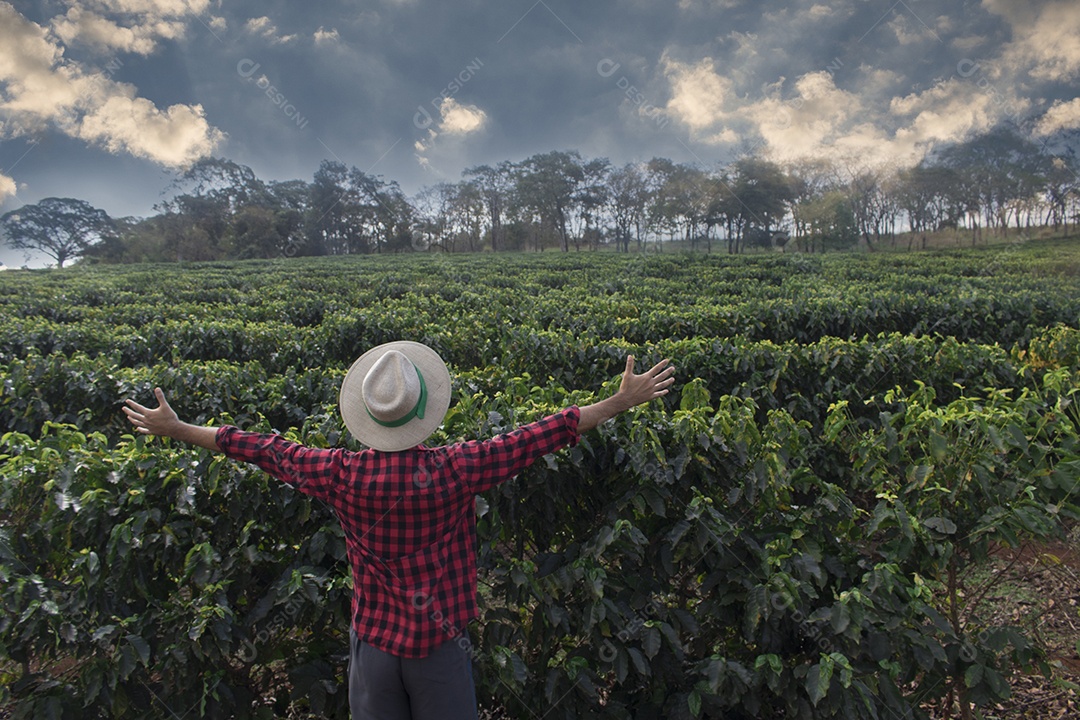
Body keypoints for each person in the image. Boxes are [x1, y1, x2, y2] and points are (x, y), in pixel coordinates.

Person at [123, 341, 675, 720]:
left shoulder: (338, 473)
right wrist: (621, 400)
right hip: (438, 645)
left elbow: (262, 448)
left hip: (374, 646)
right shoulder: (458, 469)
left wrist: (176, 428)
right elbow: (540, 434)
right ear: (424, 411)